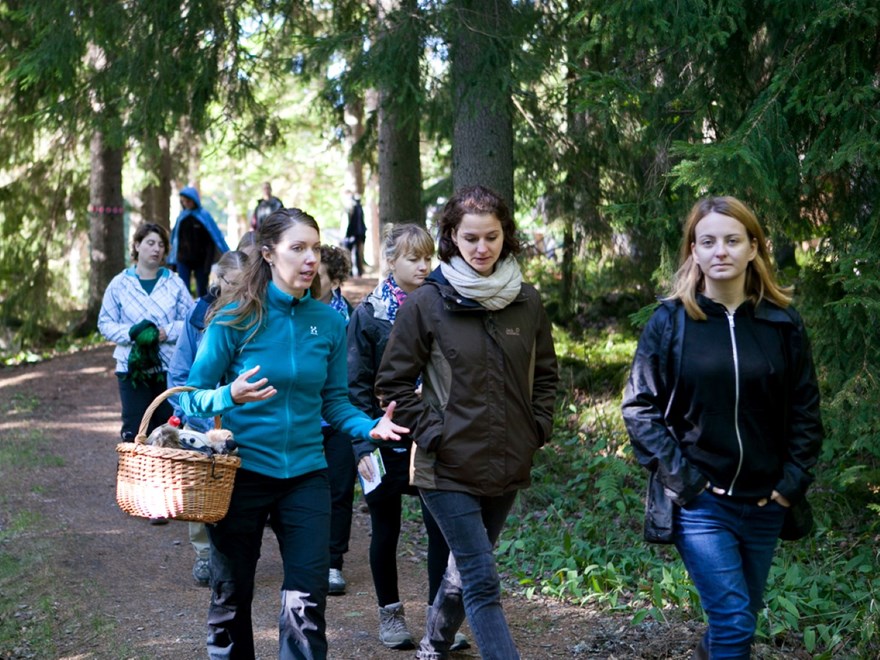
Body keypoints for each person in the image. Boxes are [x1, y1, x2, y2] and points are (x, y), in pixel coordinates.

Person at [177, 208, 409, 660]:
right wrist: (228, 396)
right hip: (241, 475)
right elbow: (186, 397)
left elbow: (335, 402)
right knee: (230, 596)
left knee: (307, 602)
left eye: (314, 248)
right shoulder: (233, 320)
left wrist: (370, 425)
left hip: (306, 475)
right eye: (297, 248)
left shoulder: (329, 321)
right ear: (267, 254)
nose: (309, 259)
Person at [621, 196, 823, 659]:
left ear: (754, 248)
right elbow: (639, 408)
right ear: (693, 250)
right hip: (702, 504)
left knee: (738, 621)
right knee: (734, 624)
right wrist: (688, 484)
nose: (721, 251)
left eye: (733, 241)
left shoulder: (781, 322)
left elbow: (805, 410)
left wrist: (791, 483)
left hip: (766, 501)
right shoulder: (671, 322)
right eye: (708, 241)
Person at [374, 187, 559, 660]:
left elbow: (545, 377)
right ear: (452, 238)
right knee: (481, 579)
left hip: (507, 461)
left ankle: (432, 646)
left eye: (491, 237)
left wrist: (537, 427)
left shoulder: (527, 301)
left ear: (505, 237)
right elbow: (392, 384)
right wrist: (434, 434)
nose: (482, 248)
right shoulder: (428, 302)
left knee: (464, 571)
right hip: (446, 466)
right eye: (470, 237)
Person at [348, 224, 468, 652]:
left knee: (441, 530)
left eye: (427, 258)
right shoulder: (368, 314)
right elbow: (355, 385)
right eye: (412, 258)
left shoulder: (441, 306)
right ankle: (391, 615)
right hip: (381, 439)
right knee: (385, 529)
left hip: (432, 437)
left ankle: (441, 622)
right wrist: (363, 443)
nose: (423, 266)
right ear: (391, 261)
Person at [98, 223, 194, 523]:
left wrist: (166, 332)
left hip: (168, 367)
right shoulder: (119, 284)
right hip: (131, 369)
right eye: (150, 242)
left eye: (161, 244)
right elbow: (105, 323)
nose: (156, 249)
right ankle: (134, 490)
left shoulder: (175, 283)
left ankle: (163, 497)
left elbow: (191, 319)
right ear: (137, 245)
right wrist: (134, 333)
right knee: (134, 428)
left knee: (167, 428)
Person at [167, 250, 249, 586]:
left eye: (247, 287)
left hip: (239, 424)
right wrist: (183, 410)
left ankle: (232, 552)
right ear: (219, 279)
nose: (240, 293)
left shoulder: (253, 315)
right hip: (200, 422)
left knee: (235, 494)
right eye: (234, 285)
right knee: (199, 491)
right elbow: (179, 368)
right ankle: (203, 554)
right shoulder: (199, 314)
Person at [315, 244, 357, 596]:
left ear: (336, 280)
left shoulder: (352, 317)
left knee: (341, 490)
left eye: (319, 275)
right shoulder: (297, 313)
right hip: (304, 419)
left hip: (341, 418)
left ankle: (332, 561)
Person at [168, 186, 230, 297]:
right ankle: (186, 313)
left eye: (188, 200)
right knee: (183, 290)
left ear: (194, 200)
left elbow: (212, 240)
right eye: (184, 201)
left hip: (201, 262)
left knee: (202, 291)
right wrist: (173, 260)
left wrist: (208, 264)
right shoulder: (182, 217)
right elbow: (175, 240)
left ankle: (202, 313)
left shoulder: (204, 216)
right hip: (183, 260)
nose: (186, 203)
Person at [344, 191, 367, 277]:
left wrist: (346, 235)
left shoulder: (351, 206)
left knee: (350, 254)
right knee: (356, 253)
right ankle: (358, 272)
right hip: (359, 234)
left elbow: (349, 222)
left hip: (352, 234)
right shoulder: (358, 206)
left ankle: (351, 273)